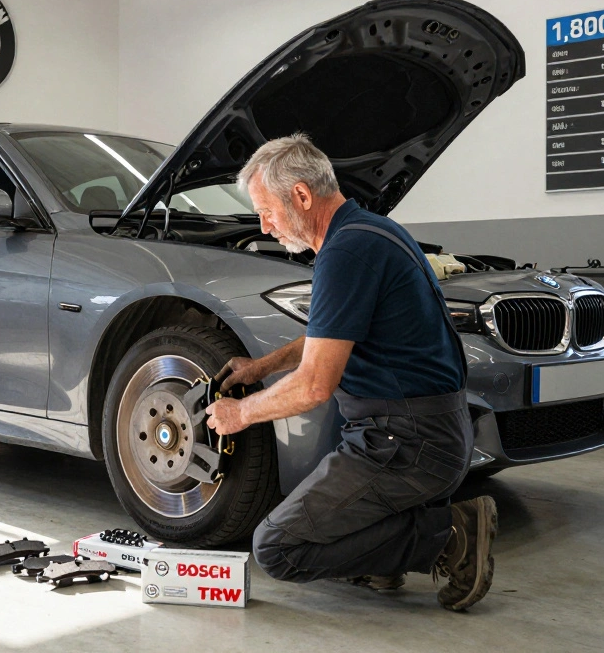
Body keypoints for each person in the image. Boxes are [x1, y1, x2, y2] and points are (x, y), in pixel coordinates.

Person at [205, 133, 497, 611]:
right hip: (428, 432)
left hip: (408, 444)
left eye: (267, 210)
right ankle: (381, 561)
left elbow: (315, 386)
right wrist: (261, 366)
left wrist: (239, 415)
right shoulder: (370, 231)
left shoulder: (345, 253)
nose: (264, 225)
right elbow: (331, 334)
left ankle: (448, 536)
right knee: (328, 471)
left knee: (277, 549)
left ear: (301, 195)